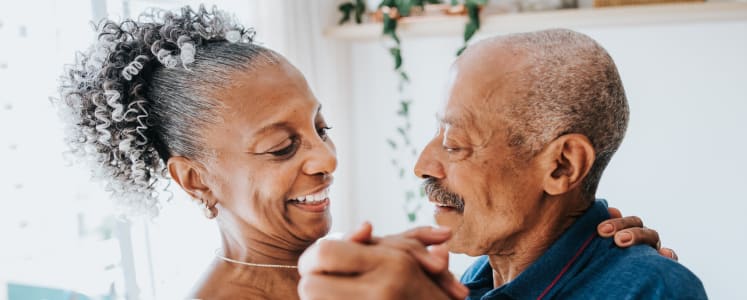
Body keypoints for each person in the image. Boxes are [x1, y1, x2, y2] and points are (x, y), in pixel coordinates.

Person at [57, 6, 672, 299]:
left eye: (321, 127)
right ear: (195, 180)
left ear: (562, 167)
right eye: (281, 146)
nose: (325, 158)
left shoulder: (366, 270)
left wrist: (594, 254)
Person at [298, 29, 707, 299]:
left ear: (562, 166)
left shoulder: (652, 290)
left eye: (455, 143)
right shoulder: (472, 281)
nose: (423, 165)